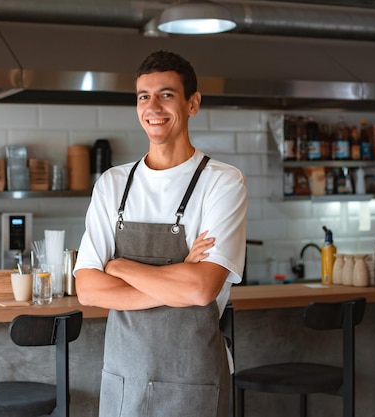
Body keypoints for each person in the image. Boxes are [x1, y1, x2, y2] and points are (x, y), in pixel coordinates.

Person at [74, 50, 248, 417]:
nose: (152, 106)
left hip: (193, 377)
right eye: (143, 96)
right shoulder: (113, 184)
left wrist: (120, 266)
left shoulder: (222, 181)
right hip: (124, 376)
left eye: (166, 94)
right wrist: (177, 273)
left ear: (193, 103)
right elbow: (88, 289)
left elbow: (201, 289)